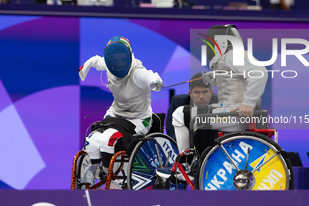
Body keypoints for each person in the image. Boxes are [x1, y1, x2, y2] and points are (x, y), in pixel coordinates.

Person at [157, 24, 268, 181]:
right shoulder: (230, 57)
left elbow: (260, 73)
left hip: (237, 115)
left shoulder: (232, 55)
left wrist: (248, 103)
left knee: (180, 114)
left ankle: (185, 164)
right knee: (201, 119)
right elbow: (234, 79)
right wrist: (214, 77)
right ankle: (201, 164)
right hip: (230, 111)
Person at [78, 36, 163, 185]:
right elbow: (96, 61)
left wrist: (155, 81)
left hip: (139, 119)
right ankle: (92, 181)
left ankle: (111, 179)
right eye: (114, 60)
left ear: (129, 56)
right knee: (92, 140)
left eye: (122, 59)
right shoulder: (110, 66)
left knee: (108, 140)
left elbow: (148, 76)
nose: (118, 63)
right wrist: (86, 66)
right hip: (116, 114)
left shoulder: (136, 73)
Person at [166, 73, 218, 141]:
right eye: (196, 92)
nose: (201, 97)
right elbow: (171, 133)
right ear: (190, 93)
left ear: (211, 92)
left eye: (205, 92)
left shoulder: (221, 102)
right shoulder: (177, 103)